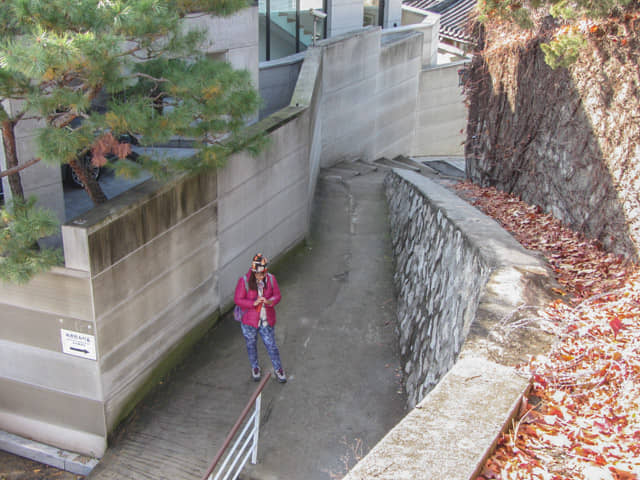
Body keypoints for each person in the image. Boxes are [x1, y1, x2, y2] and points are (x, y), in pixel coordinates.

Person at [234, 253, 287, 383]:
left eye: (263, 273)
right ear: (253, 272)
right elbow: (238, 299)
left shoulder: (271, 279)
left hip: (266, 320)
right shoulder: (244, 281)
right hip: (249, 321)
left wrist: (269, 302)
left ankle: (278, 369)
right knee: (251, 345)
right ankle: (255, 367)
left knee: (271, 345)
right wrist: (253, 303)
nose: (261, 276)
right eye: (259, 274)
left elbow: (277, 296)